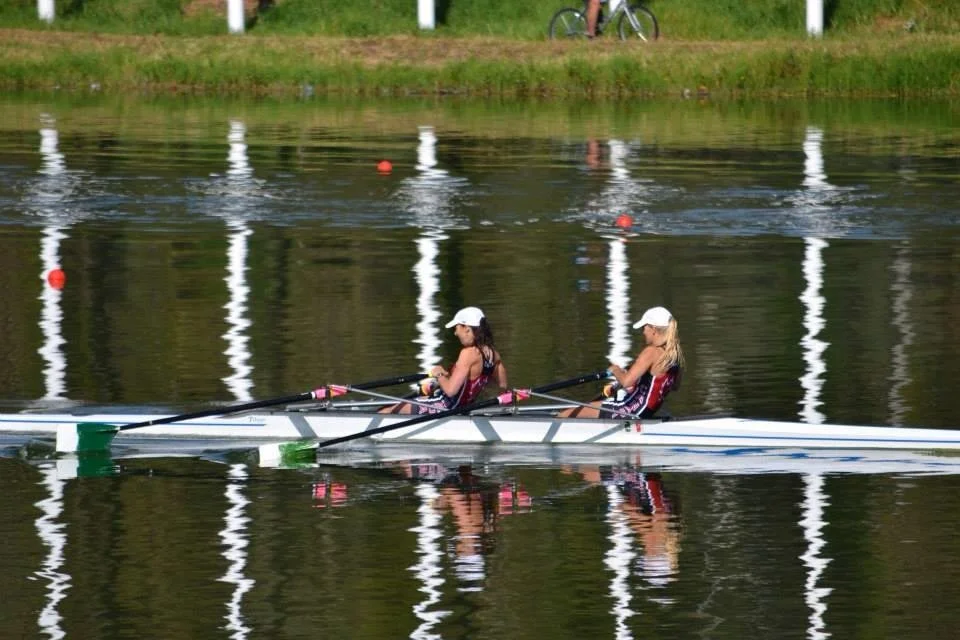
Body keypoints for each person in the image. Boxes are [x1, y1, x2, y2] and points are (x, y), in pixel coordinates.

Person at [559, 305, 683, 418]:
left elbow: (626, 381)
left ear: (654, 330)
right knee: (586, 409)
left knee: (566, 414)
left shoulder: (651, 352)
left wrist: (615, 370)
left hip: (628, 410)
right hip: (645, 411)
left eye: (644, 327)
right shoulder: (674, 355)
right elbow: (673, 386)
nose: (643, 332)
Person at [380, 306, 508, 414]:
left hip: (444, 407)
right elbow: (502, 386)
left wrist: (439, 374)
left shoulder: (468, 354)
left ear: (467, 329)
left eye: (457, 328)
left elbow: (451, 391)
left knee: (386, 410)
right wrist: (448, 378)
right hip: (463, 408)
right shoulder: (494, 354)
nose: (455, 333)